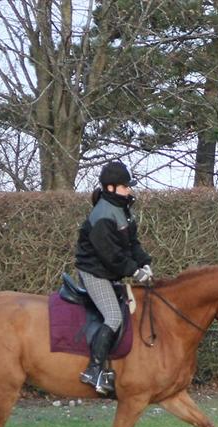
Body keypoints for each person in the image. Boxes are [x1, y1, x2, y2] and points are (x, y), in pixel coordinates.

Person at [73, 160, 154, 395]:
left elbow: (132, 244)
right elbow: (111, 256)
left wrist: (145, 262)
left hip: (109, 271)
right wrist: (134, 271)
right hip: (95, 272)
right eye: (125, 186)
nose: (129, 189)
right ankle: (94, 370)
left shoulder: (121, 209)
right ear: (111, 188)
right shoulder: (103, 215)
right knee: (113, 316)